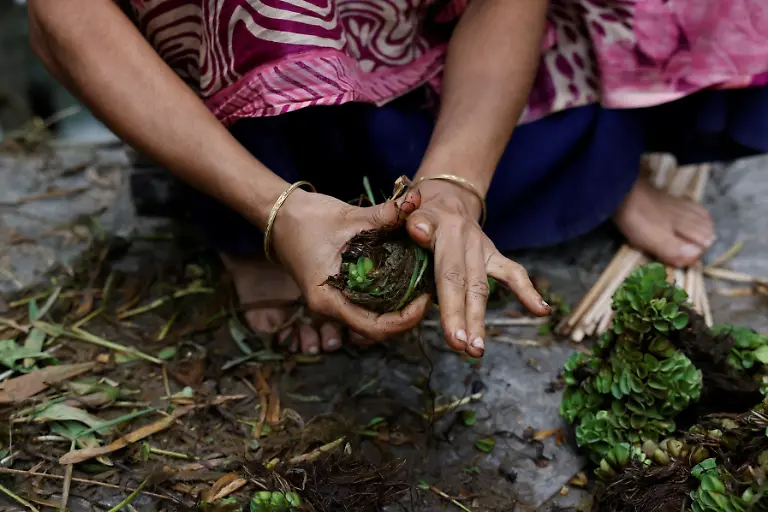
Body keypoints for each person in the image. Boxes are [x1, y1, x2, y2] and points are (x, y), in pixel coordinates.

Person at [28, 0, 768, 359]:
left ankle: (594, 164)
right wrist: (275, 208)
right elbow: (66, 20)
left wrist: (453, 185)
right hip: (244, 46)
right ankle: (256, 222)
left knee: (555, 155)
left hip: (430, 37)